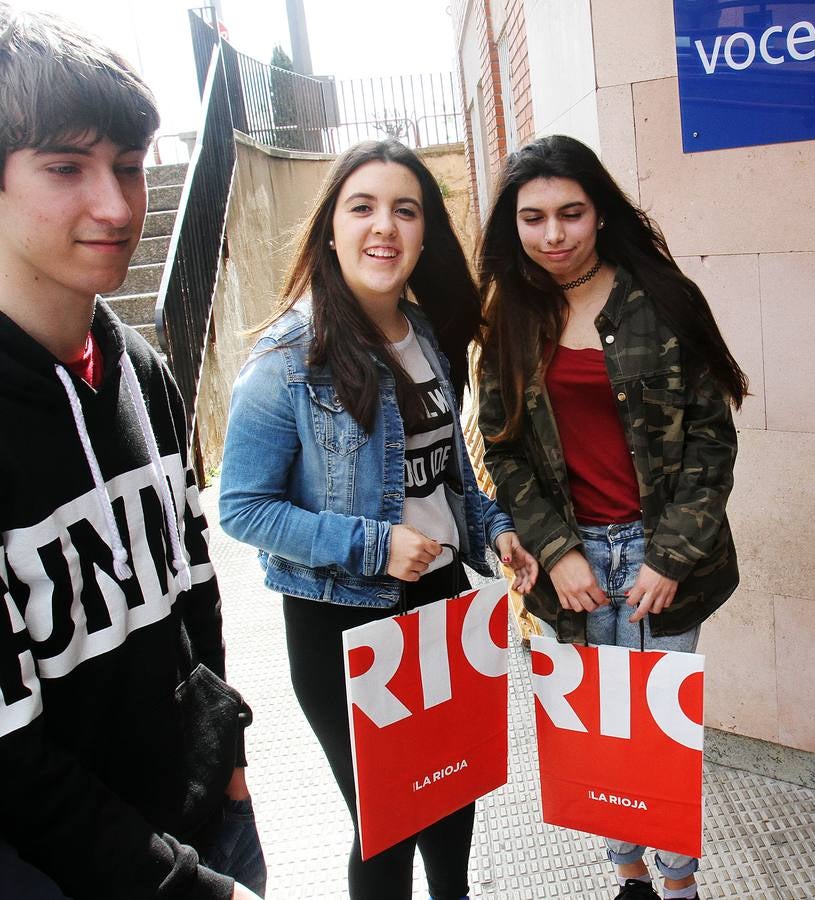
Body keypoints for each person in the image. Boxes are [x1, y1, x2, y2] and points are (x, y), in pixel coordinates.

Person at [218, 139, 537, 900]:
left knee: (454, 796)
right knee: (388, 821)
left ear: (424, 235)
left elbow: (444, 471)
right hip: (343, 623)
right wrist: (371, 545)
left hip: (441, 606)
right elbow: (241, 506)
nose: (383, 226)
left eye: (405, 209)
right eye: (362, 207)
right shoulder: (288, 357)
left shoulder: (424, 334)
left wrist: (492, 526)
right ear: (331, 227)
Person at [0, 5, 265, 899]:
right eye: (65, 168)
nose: (114, 205)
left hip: (211, 829)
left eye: (128, 166)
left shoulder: (142, 369)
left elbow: (194, 586)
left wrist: (228, 763)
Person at [475, 134, 746, 900]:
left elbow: (711, 441)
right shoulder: (510, 318)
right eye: (533, 218)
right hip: (574, 565)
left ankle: (680, 885)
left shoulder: (659, 299)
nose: (553, 235)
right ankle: (628, 876)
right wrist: (556, 550)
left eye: (571, 213)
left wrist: (670, 556)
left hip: (663, 561)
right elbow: (506, 453)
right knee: (593, 730)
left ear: (600, 213)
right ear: (513, 224)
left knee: (661, 732)